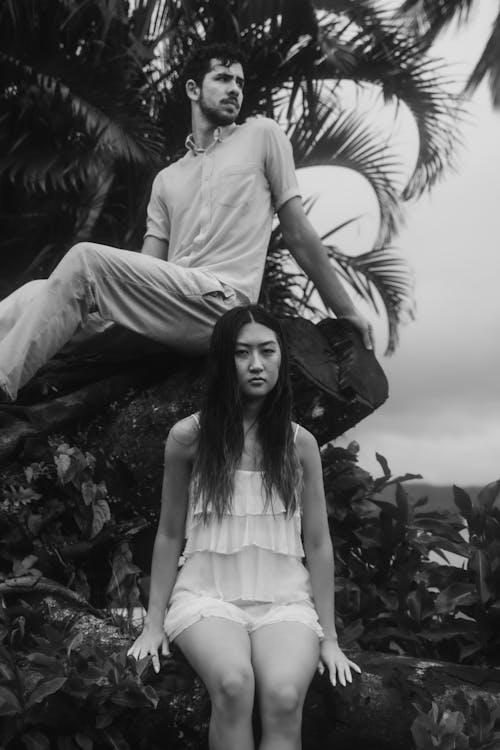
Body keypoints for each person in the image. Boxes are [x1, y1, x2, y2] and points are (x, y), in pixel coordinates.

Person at [0, 42, 373, 403]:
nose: (235, 90)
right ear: (193, 89)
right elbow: (149, 268)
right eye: (224, 79)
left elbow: (296, 232)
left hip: (223, 308)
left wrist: (345, 310)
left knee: (86, 260)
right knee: (32, 294)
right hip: (167, 311)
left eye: (240, 83)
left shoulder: (263, 136)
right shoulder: (167, 179)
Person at [128, 304, 361, 750]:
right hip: (206, 598)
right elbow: (169, 533)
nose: (256, 364)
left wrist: (329, 637)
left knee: (284, 695)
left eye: (267, 351)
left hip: (285, 603)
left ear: (281, 359)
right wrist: (153, 623)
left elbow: (317, 542)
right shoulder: (188, 437)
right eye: (242, 353)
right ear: (223, 361)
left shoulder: (300, 444)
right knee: (234, 685)